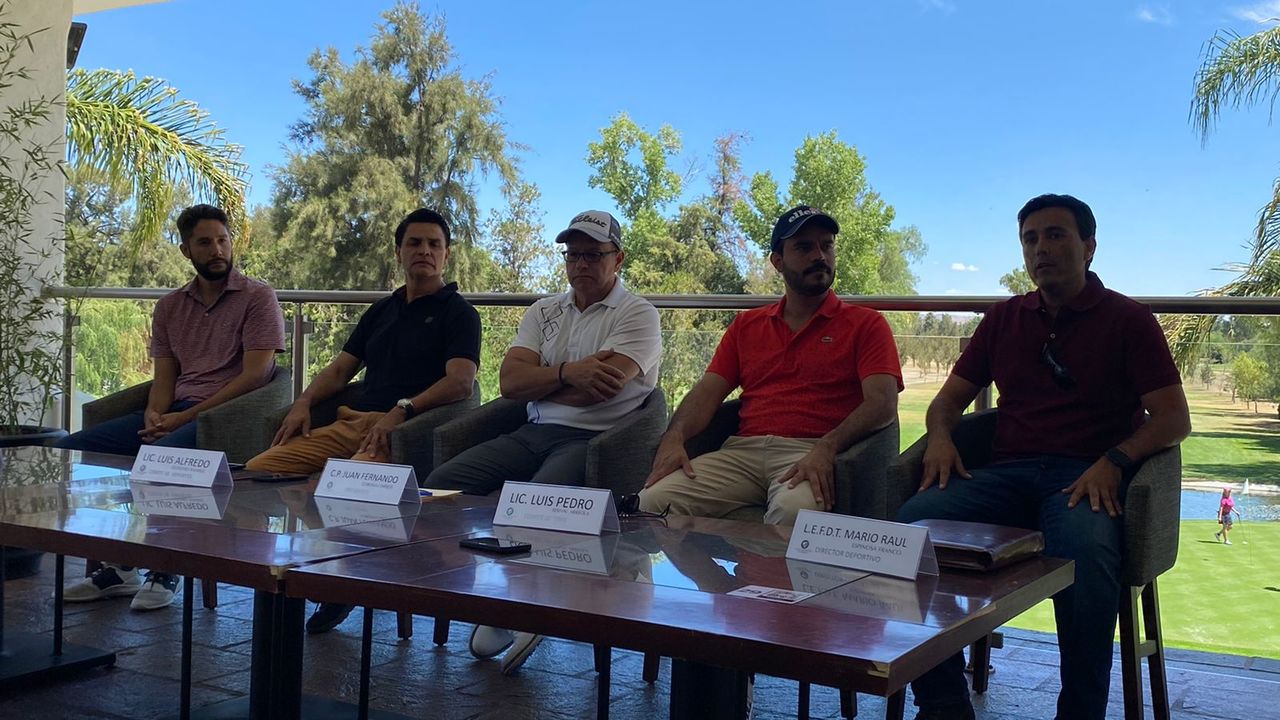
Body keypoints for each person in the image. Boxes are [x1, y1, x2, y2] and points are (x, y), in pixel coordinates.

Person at [896, 194, 1192, 720]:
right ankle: (943, 705)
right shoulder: (1005, 318)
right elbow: (946, 403)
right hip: (1005, 475)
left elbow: (1173, 419)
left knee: (1087, 557)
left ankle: (1079, 713)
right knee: (907, 530)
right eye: (1030, 239)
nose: (1041, 249)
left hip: (1083, 480)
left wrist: (1115, 461)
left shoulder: (1129, 320)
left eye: (1056, 235)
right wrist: (940, 437)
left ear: (1089, 247)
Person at [426, 209, 662, 674]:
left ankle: (525, 610)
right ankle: (462, 588)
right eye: (573, 255)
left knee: (534, 507)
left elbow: (602, 389)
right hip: (531, 431)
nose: (581, 264)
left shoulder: (638, 314)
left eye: (594, 254)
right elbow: (511, 382)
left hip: (595, 440)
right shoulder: (544, 310)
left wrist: (545, 380)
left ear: (618, 259)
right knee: (439, 487)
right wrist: (570, 372)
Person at [246, 207, 481, 634]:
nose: (424, 251)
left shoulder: (459, 313)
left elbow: (461, 383)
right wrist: (302, 403)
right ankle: (318, 566)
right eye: (414, 243)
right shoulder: (381, 310)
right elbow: (340, 371)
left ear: (447, 255)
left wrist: (402, 411)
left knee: (338, 492)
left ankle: (342, 585)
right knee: (261, 470)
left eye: (434, 244)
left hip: (400, 432)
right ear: (398, 252)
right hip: (351, 422)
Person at [56, 204, 286, 610]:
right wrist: (155, 414)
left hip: (227, 418)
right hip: (179, 410)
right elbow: (164, 377)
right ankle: (120, 568)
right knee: (68, 451)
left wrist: (185, 417)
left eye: (223, 240)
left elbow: (256, 376)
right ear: (186, 250)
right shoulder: (169, 307)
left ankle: (165, 568)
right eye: (205, 242)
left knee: (159, 463)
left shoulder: (258, 297)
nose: (217, 250)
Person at [639, 205, 901, 525]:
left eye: (826, 245)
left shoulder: (867, 324)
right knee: (650, 502)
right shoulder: (746, 325)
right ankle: (707, 565)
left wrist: (827, 447)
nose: (819, 255)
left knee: (791, 514)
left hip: (809, 451)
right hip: (740, 453)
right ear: (778, 261)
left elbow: (882, 403)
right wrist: (675, 436)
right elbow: (708, 392)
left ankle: (761, 564)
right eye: (804, 247)